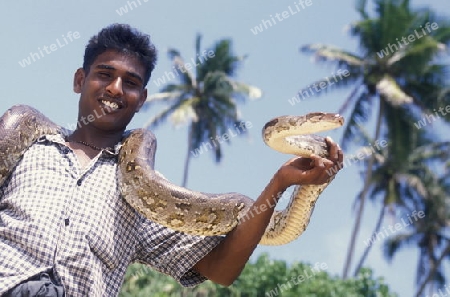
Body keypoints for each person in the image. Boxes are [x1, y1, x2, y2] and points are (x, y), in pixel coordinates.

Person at [0, 24, 344, 297]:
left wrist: (280, 182)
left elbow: (221, 270)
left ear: (142, 99)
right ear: (80, 80)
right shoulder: (30, 146)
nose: (116, 88)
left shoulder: (140, 193)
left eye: (130, 82)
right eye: (104, 74)